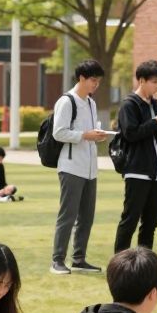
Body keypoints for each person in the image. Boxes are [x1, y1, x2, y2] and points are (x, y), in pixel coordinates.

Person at [50, 60, 110, 275]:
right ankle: (57, 260)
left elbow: (90, 132)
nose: (96, 84)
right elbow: (58, 132)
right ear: (82, 78)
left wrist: (98, 135)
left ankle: (79, 258)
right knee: (68, 215)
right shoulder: (67, 102)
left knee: (87, 216)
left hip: (90, 168)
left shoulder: (91, 103)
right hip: (71, 166)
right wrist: (85, 135)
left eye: (98, 81)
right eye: (93, 80)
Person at [114, 60, 157, 253]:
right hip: (137, 171)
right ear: (142, 80)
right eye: (154, 82)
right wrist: (156, 121)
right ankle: (120, 261)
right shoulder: (129, 105)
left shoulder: (156, 104)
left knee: (151, 221)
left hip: (156, 172)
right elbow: (131, 133)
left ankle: (144, 261)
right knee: (130, 219)